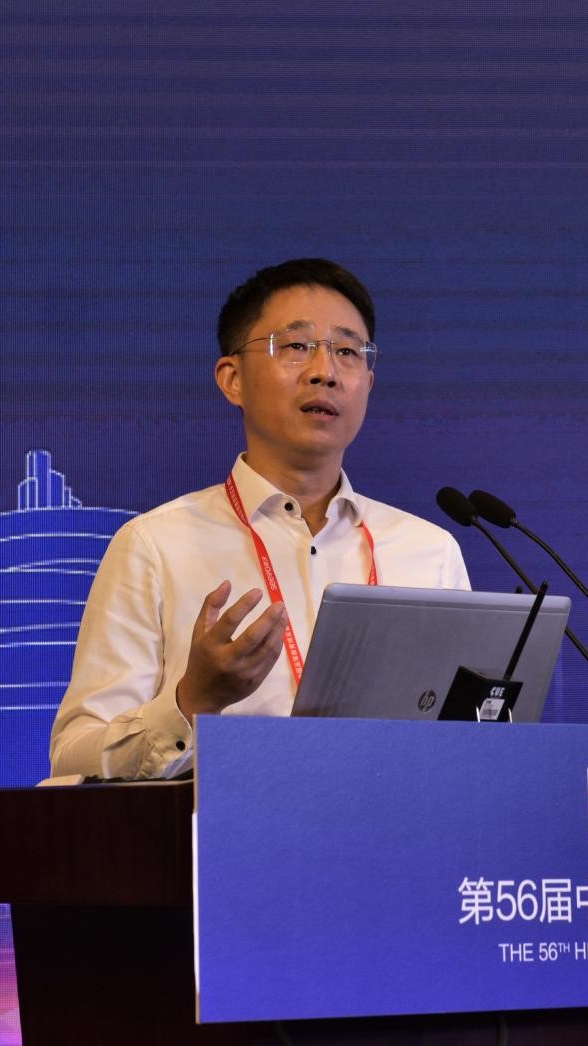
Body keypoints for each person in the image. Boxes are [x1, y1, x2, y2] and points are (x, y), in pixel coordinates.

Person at [49, 259, 470, 779]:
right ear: (233, 380)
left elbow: (473, 747)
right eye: (296, 346)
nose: (325, 371)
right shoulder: (154, 546)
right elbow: (73, 755)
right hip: (221, 830)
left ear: (368, 382)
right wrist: (190, 703)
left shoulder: (430, 553)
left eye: (347, 351)